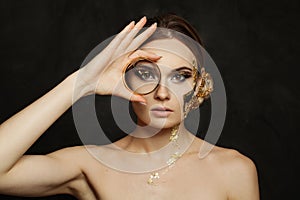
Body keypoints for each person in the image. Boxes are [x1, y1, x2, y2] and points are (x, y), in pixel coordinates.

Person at [0, 13, 259, 199]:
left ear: (200, 87)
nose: (162, 93)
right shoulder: (90, 165)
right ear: (124, 78)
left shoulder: (233, 169)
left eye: (180, 76)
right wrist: (80, 84)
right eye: (146, 74)